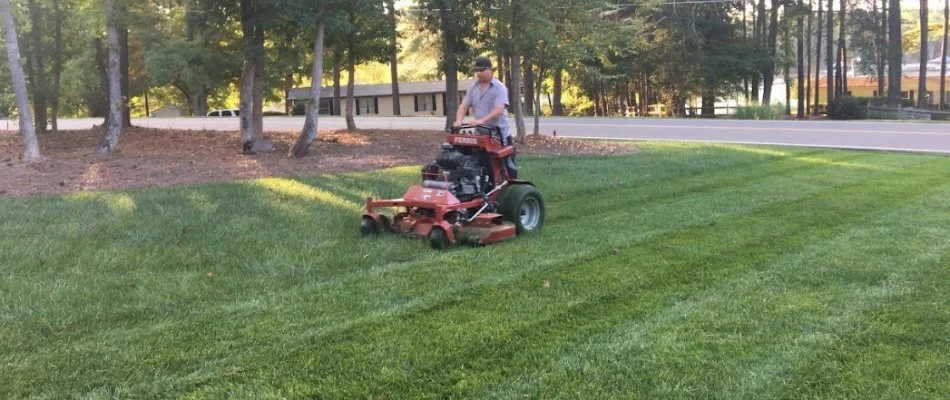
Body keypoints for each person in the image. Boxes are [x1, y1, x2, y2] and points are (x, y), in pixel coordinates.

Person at [453, 56, 517, 177]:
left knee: (506, 168)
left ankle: (511, 190)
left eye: (481, 70)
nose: (478, 73)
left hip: (499, 134)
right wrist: (458, 121)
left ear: (490, 70)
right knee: (480, 162)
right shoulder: (473, 87)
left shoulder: (500, 87)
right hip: (481, 134)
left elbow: (499, 109)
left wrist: (481, 121)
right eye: (476, 70)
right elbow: (463, 106)